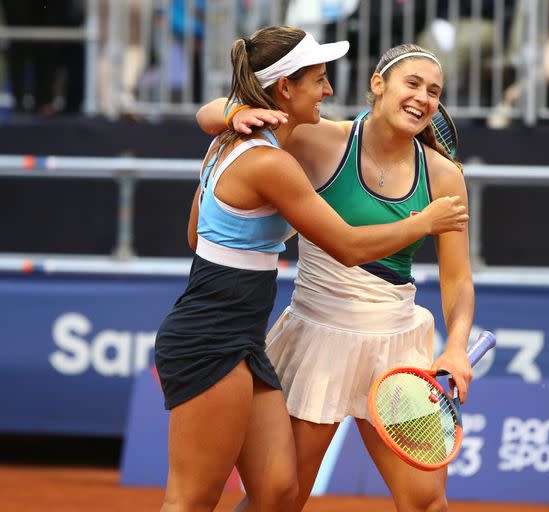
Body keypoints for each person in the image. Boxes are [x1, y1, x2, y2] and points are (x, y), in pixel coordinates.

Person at [155, 28, 468, 512]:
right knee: (235, 499)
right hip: (275, 336)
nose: (424, 98)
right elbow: (344, 246)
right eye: (413, 83)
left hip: (386, 343)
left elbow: (196, 229)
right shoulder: (294, 147)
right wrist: (423, 223)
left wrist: (457, 346)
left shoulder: (247, 139)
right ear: (379, 84)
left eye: (434, 90)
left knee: (291, 491)